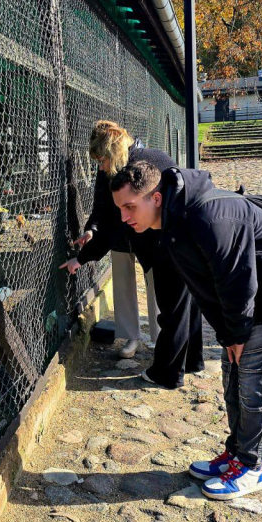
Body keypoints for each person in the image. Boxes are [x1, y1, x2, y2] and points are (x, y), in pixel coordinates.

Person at [110, 161, 262, 500]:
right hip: (249, 298)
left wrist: (237, 334)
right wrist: (227, 334)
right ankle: (236, 453)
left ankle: (252, 467)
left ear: (155, 198)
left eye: (129, 206)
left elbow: (236, 279)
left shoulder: (206, 216)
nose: (124, 216)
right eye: (120, 208)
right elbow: (202, 286)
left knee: (253, 382)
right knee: (232, 375)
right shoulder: (172, 220)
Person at [61, 122, 204, 387]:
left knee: (170, 309)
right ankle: (192, 361)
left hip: (165, 243)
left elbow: (114, 224)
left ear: (110, 152)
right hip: (181, 237)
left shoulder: (130, 174)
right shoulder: (147, 158)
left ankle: (168, 373)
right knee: (186, 304)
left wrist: (81, 258)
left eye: (101, 161)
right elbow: (106, 214)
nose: (100, 167)